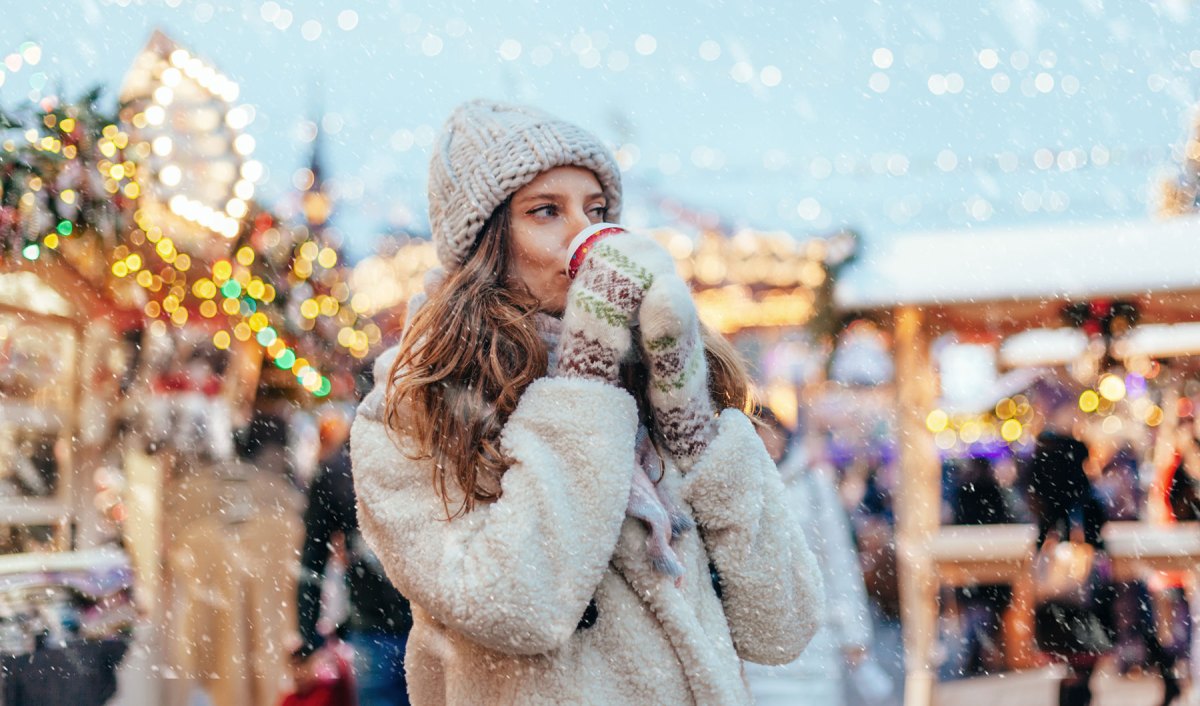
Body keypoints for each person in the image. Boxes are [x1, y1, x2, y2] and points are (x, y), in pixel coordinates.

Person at [350, 100, 823, 706]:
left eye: (596, 210)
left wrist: (690, 425)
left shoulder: (645, 384)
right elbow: (516, 606)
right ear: (485, 243)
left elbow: (780, 626)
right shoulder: (417, 407)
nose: (586, 233)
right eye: (546, 210)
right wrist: (585, 379)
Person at [744, 409, 877, 706]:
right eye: (756, 434)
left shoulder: (814, 485)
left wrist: (855, 638)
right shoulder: (735, 488)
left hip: (814, 636)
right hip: (756, 644)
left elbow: (839, 561)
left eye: (769, 432)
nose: (766, 442)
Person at [293, 407, 413, 706]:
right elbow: (312, 560)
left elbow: (312, 560)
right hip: (408, 626)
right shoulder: (427, 455)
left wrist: (309, 639)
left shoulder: (339, 468)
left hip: (376, 626)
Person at [1025, 399, 1113, 706]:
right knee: (1083, 663)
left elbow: (1040, 538)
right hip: (1084, 593)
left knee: (1069, 663)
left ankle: (1071, 694)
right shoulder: (1083, 499)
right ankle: (1078, 694)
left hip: (1057, 599)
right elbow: (1097, 531)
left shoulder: (1046, 495)